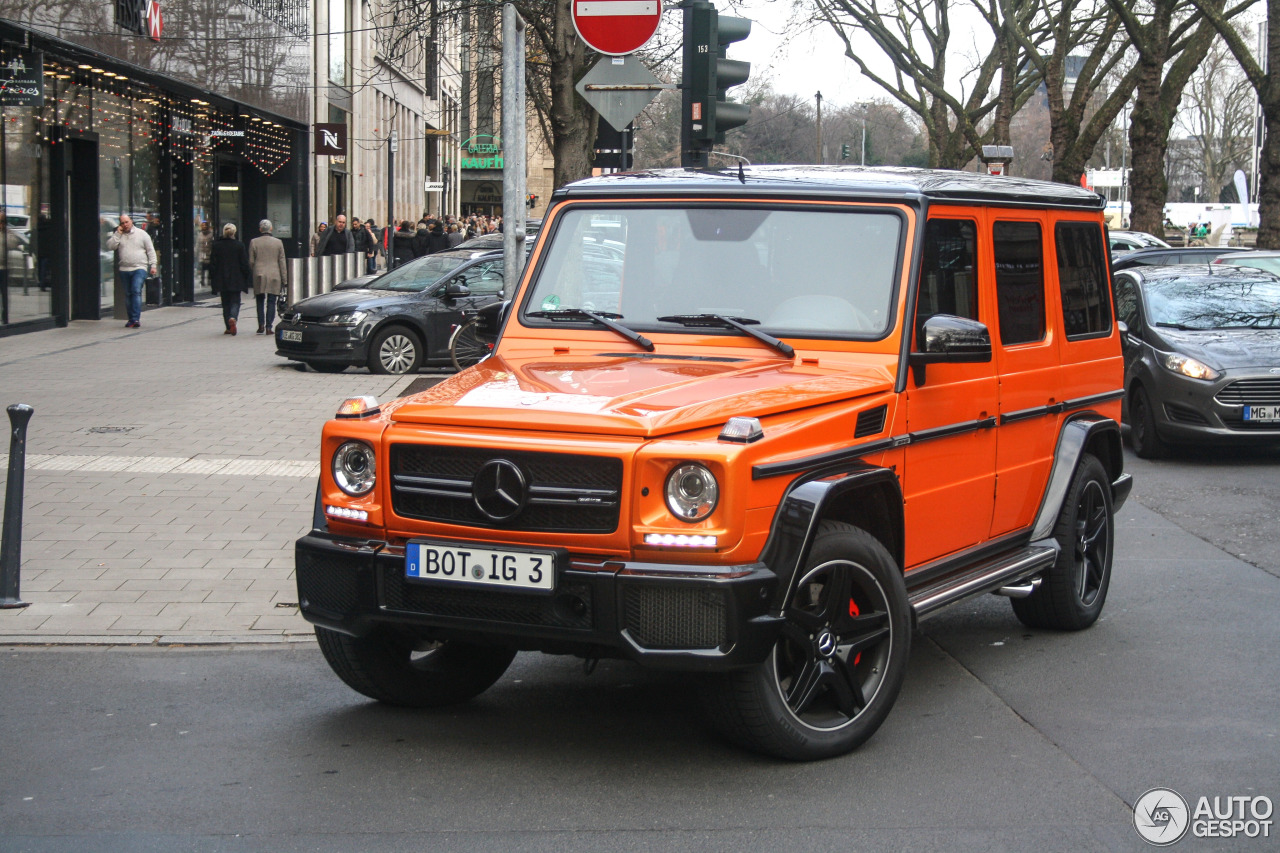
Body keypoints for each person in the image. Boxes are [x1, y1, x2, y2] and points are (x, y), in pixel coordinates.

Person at [106, 213, 157, 329]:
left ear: (131, 221)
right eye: (122, 223)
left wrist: (153, 265)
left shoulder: (142, 234)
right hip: (124, 268)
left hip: (139, 267)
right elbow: (110, 246)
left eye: (127, 222)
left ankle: (135, 318)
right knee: (128, 294)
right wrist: (117, 234)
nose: (125, 225)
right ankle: (131, 318)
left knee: (135, 291)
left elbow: (150, 250)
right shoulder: (119, 235)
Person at [209, 222, 251, 335]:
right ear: (234, 232)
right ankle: (233, 317)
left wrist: (212, 277)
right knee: (235, 301)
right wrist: (247, 275)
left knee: (225, 302)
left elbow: (212, 263)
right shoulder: (239, 245)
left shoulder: (217, 245)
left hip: (221, 278)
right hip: (236, 279)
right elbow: (244, 263)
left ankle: (228, 327)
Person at [249, 219, 287, 335]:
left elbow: (251, 261)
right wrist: (285, 279)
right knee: (271, 301)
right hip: (274, 274)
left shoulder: (254, 242)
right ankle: (269, 327)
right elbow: (282, 262)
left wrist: (255, 270)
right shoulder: (278, 242)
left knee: (259, 300)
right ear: (271, 229)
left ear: (260, 229)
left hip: (259, 274)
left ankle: (260, 325)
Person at [196, 221, 213, 290]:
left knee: (209, 268)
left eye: (205, 225)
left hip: (209, 254)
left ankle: (209, 280)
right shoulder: (199, 234)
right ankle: (202, 281)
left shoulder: (211, 235)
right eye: (203, 225)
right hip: (201, 254)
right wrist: (196, 252)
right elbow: (197, 244)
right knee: (202, 268)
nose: (204, 227)